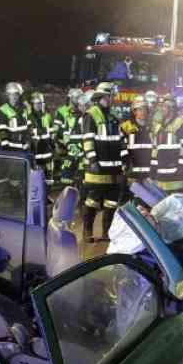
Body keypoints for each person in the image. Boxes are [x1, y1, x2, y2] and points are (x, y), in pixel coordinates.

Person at [80, 82, 125, 243]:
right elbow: (87, 139)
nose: (113, 99)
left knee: (111, 203)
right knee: (92, 201)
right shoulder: (91, 114)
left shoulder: (113, 117)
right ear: (103, 96)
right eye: (111, 96)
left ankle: (107, 232)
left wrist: (124, 160)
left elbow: (120, 141)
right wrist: (92, 159)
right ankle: (87, 232)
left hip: (114, 169)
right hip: (97, 169)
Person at [152, 94, 183, 194]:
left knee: (178, 205)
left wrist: (181, 166)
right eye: (161, 106)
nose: (161, 109)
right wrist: (153, 168)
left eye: (164, 107)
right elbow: (155, 149)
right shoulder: (159, 127)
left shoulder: (181, 124)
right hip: (162, 177)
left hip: (178, 176)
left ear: (171, 108)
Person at [120, 96, 154, 190]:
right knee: (130, 198)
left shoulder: (153, 127)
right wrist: (127, 164)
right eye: (140, 109)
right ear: (134, 111)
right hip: (132, 171)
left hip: (148, 171)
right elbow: (121, 148)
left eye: (145, 109)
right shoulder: (125, 127)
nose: (143, 112)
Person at [56, 89, 87, 187]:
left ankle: (80, 195)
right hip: (69, 150)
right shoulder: (65, 113)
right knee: (66, 176)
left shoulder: (85, 117)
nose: (78, 101)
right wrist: (62, 144)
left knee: (82, 176)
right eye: (77, 98)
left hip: (82, 152)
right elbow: (59, 131)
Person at [27, 92, 56, 185]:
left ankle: (48, 194)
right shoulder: (29, 117)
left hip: (48, 151)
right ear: (32, 104)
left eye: (40, 103)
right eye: (36, 103)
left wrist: (53, 145)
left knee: (49, 179)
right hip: (36, 151)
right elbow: (29, 132)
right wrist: (42, 131)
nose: (38, 105)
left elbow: (52, 131)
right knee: (37, 179)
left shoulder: (47, 116)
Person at [0, 82, 30, 152]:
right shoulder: (3, 110)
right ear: (8, 95)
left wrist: (29, 141)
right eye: (11, 94)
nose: (14, 97)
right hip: (11, 148)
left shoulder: (24, 109)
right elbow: (2, 130)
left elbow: (29, 127)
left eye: (16, 94)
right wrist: (5, 147)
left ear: (19, 95)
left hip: (25, 147)